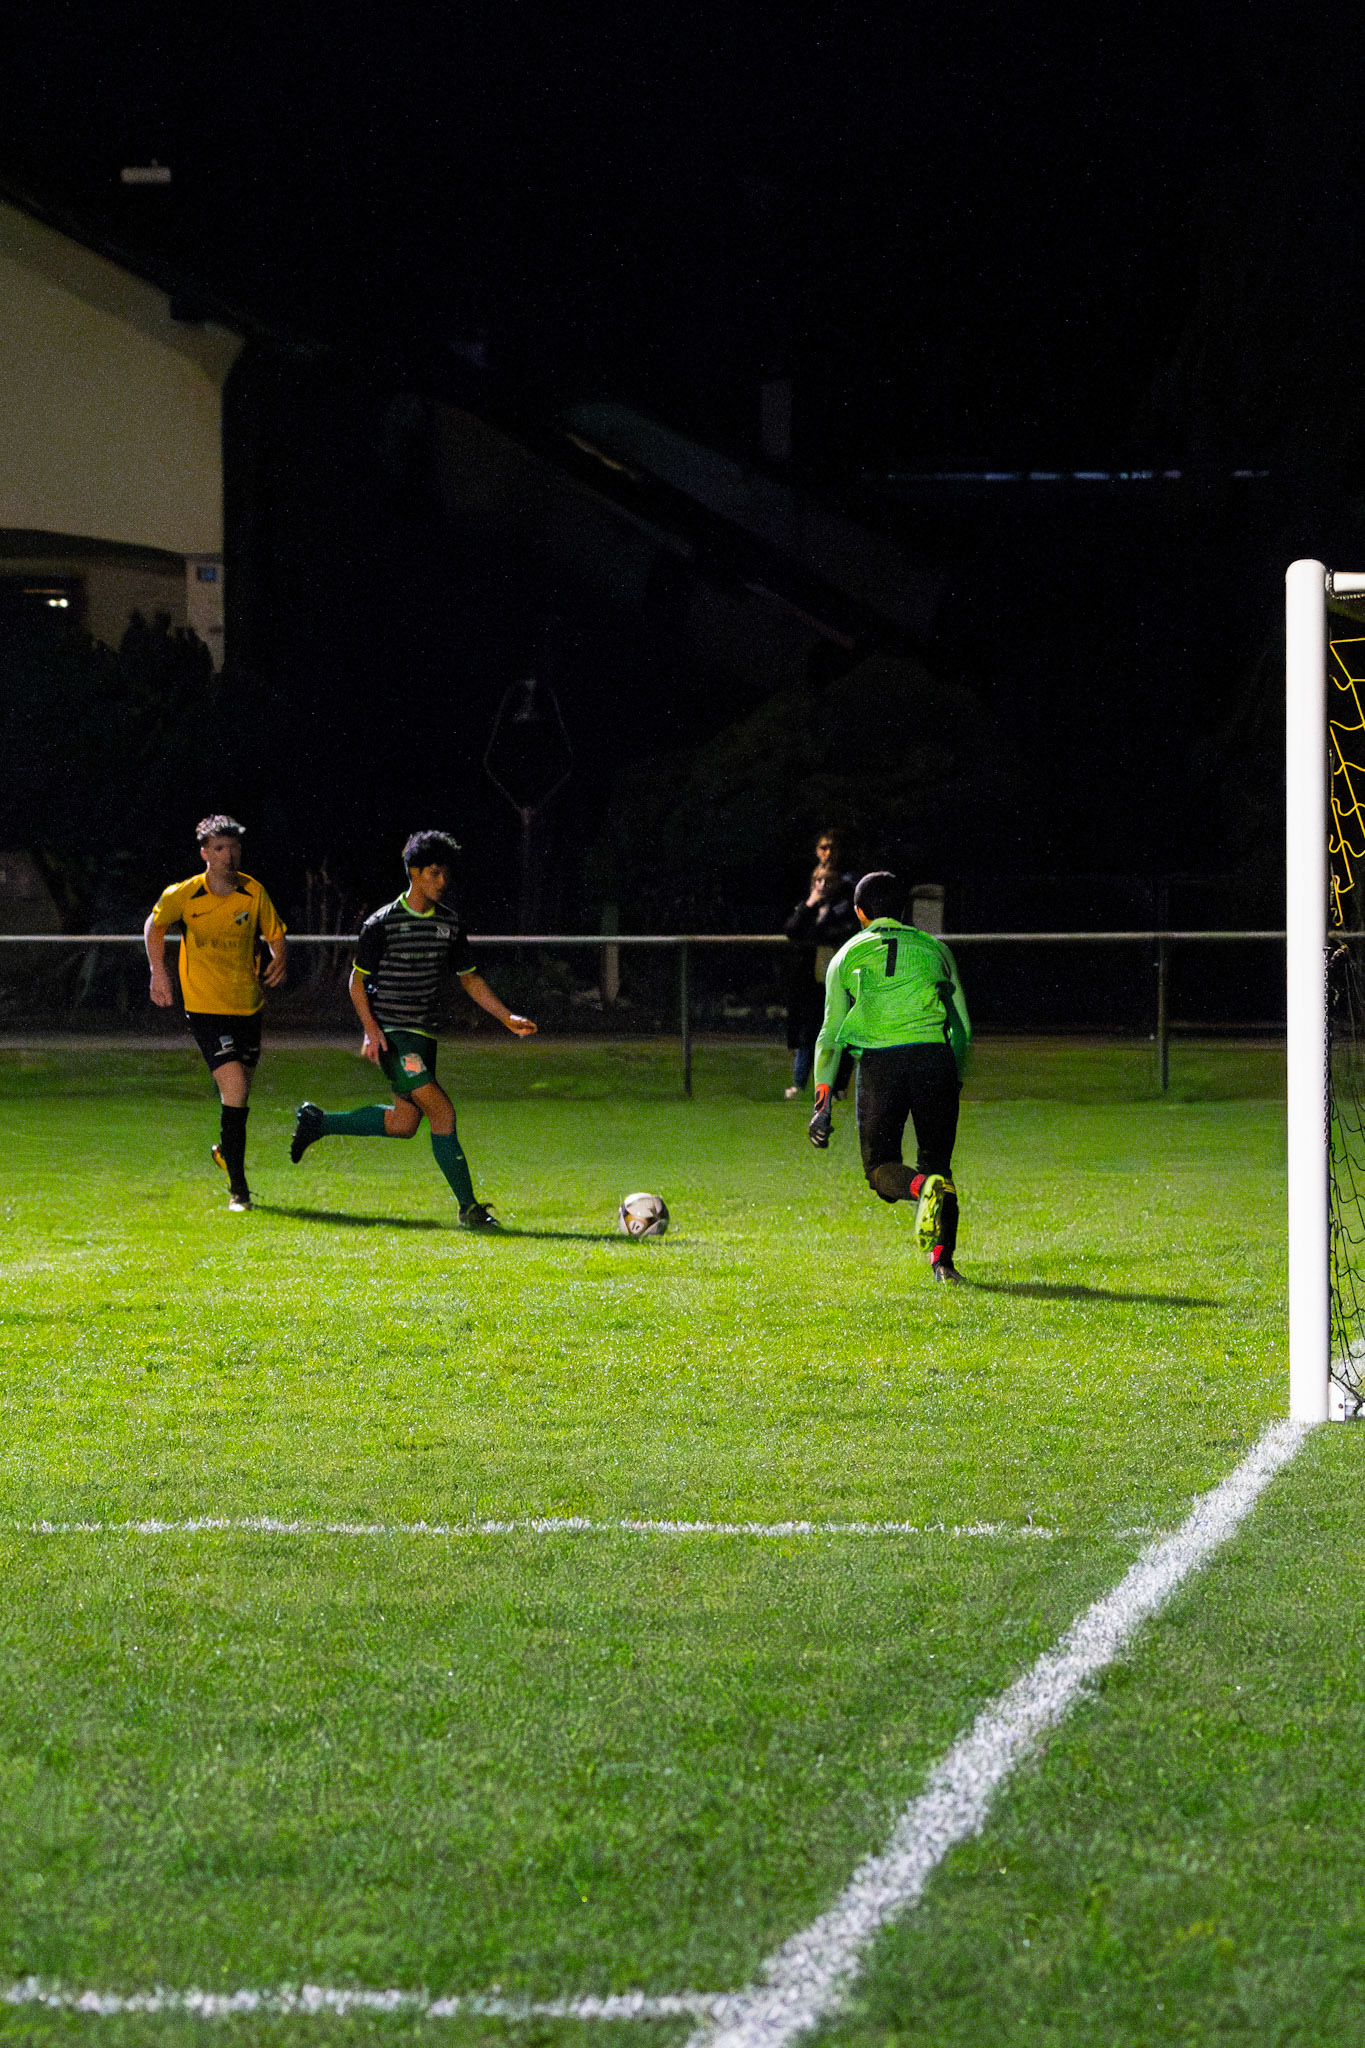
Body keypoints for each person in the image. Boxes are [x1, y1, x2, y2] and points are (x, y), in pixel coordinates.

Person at [289, 829, 535, 1227]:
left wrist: (506, 1017)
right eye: (435, 873)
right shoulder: (382, 923)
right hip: (394, 1034)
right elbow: (356, 981)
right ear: (414, 873)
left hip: (424, 1036)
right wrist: (372, 1030)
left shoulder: (450, 925)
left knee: (403, 1125)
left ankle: (319, 1121)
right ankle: (470, 1209)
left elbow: (469, 978)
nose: (443, 881)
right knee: (443, 1113)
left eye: (446, 874)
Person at [806, 870, 970, 1282]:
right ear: (903, 911)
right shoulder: (935, 949)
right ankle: (943, 1265)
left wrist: (822, 1104)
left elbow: (829, 1035)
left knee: (881, 1170)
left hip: (882, 1067)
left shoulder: (846, 956)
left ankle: (918, 1189)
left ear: (860, 913)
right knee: (939, 1165)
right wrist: (955, 1073)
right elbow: (962, 1026)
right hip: (934, 1060)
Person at [144, 814, 288, 1213]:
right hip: (205, 1008)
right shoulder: (185, 894)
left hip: (248, 1006)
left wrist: (281, 958)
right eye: (220, 849)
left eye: (234, 848)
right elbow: (154, 927)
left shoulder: (252, 892)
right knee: (236, 1089)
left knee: (240, 1094)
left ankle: (226, 1152)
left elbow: (276, 935)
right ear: (205, 853)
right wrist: (159, 971)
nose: (229, 855)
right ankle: (239, 1191)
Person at [782, 830, 857, 1098]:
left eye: (827, 881)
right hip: (810, 978)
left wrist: (816, 929)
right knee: (807, 1033)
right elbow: (792, 929)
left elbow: (840, 932)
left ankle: (838, 1087)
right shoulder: (810, 904)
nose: (822, 884)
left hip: (837, 975)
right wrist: (811, 903)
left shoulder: (846, 899)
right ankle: (800, 1083)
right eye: (818, 881)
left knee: (840, 1032)